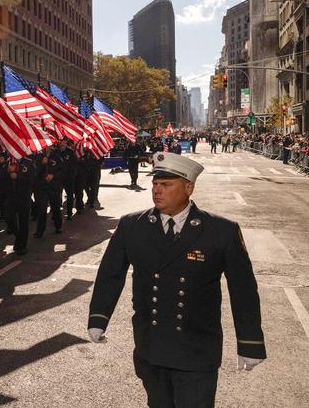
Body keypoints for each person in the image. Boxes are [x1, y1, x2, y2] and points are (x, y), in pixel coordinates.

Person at [87, 152, 266, 408]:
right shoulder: (132, 226)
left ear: (189, 187)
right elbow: (110, 274)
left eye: (167, 185)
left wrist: (250, 343)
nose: (157, 191)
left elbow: (244, 290)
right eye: (155, 185)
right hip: (151, 345)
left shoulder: (221, 231)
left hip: (197, 349)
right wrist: (99, 318)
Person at [0, 156, 35, 255]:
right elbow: (0, 180)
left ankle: (22, 246)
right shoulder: (7, 163)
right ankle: (19, 237)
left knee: (24, 222)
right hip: (11, 197)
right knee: (8, 218)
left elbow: (32, 179)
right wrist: (8, 173)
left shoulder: (28, 163)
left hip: (24, 197)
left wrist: (18, 176)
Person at [33, 148, 63, 238]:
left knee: (56, 207)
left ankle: (58, 226)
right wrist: (42, 164)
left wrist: (53, 176)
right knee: (42, 210)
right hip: (42, 187)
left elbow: (62, 171)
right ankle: (40, 230)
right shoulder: (38, 157)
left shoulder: (57, 156)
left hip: (54, 187)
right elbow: (34, 172)